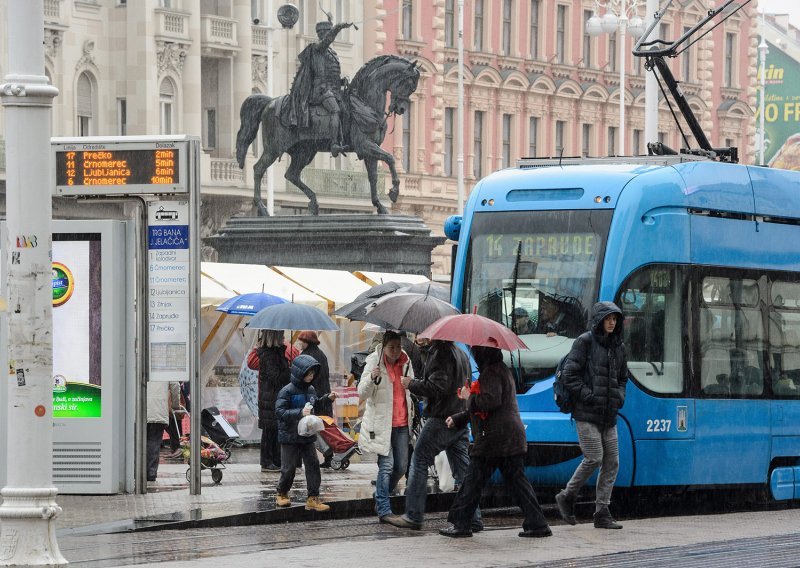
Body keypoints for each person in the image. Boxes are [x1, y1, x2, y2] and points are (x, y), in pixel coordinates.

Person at [438, 345, 551, 538]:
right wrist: (459, 418)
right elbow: (488, 406)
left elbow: (489, 401)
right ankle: (537, 523)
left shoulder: (491, 372)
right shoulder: (500, 370)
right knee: (517, 483)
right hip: (507, 438)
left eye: (475, 352)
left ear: (482, 354)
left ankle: (462, 524)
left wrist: (469, 397)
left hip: (495, 439)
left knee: (473, 481)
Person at [385, 340, 482, 532]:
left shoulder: (440, 352)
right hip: (459, 417)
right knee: (463, 471)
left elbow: (438, 387)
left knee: (419, 459)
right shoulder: (461, 353)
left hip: (442, 418)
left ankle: (413, 515)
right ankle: (473, 517)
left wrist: (411, 383)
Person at [554, 301, 629, 530]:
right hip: (586, 413)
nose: (612, 322)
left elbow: (623, 377)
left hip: (609, 414)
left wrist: (619, 397)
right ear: (599, 320)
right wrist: (588, 396)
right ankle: (567, 495)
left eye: (615, 319)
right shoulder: (584, 342)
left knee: (612, 461)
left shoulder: (619, 346)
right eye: (608, 319)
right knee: (594, 457)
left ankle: (602, 512)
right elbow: (569, 374)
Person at [357, 330, 417, 523]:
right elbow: (362, 393)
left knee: (401, 466)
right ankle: (383, 508)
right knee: (387, 466)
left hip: (401, 422)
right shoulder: (374, 362)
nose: (395, 351)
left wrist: (412, 384)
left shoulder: (406, 362)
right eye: (391, 347)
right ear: (383, 346)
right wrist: (372, 378)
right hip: (382, 424)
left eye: (398, 347)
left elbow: (412, 388)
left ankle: (381, 494)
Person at [274, 354, 337, 511]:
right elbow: (280, 412)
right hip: (289, 436)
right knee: (288, 468)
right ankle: (282, 493)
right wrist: (300, 413)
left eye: (313, 373)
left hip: (307, 436)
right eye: (308, 373)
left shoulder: (311, 389)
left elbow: (315, 404)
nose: (311, 376)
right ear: (299, 373)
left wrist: (327, 399)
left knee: (313, 465)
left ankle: (313, 497)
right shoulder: (286, 391)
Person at [284, 18, 353, 157]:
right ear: (322, 34)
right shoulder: (317, 48)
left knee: (348, 110)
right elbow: (327, 41)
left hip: (332, 90)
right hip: (320, 90)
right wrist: (339, 26)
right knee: (335, 110)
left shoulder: (332, 53)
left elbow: (330, 75)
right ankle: (334, 143)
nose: (330, 36)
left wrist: (341, 81)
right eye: (327, 33)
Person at [257, 330, 291, 472]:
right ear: (275, 337)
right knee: (270, 430)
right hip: (271, 397)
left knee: (274, 429)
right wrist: (288, 370)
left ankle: (275, 460)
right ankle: (267, 461)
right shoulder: (270, 354)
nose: (284, 337)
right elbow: (275, 377)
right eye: (281, 335)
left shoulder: (275, 352)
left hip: (272, 396)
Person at [146, 381, 180, 482]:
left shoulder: (137, 365)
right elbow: (175, 385)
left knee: (139, 443)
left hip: (139, 409)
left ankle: (138, 471)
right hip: (158, 410)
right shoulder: (164, 367)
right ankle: (151, 473)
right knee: (154, 442)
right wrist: (175, 405)